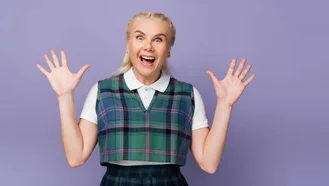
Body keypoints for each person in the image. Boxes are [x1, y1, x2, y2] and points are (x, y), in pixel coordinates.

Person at [35, 11, 256, 185]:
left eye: (158, 40)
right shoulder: (103, 91)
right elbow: (76, 157)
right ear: (128, 45)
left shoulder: (187, 95)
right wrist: (65, 97)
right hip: (116, 182)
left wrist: (225, 105)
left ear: (168, 49)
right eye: (140, 37)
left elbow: (209, 163)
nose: (148, 46)